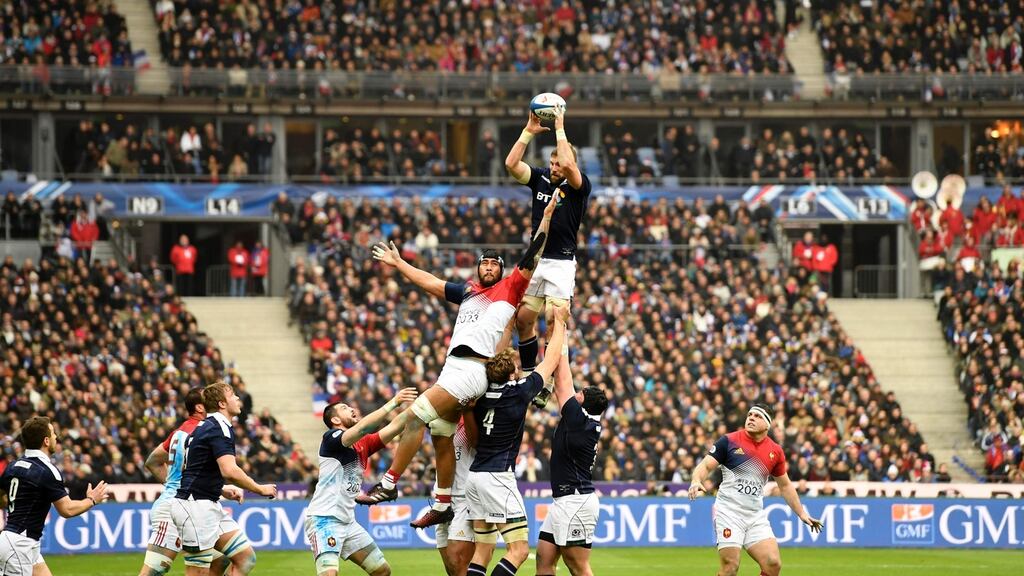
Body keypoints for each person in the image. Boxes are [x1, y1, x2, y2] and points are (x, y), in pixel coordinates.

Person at [356, 192, 559, 530]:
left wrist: (548, 217)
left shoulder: (511, 288)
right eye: (485, 263)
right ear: (479, 268)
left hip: (474, 369)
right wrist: (399, 264)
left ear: (502, 270)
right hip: (453, 367)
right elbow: (431, 283)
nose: (490, 267)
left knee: (416, 417)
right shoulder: (468, 291)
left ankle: (388, 484)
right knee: (439, 431)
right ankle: (443, 501)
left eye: (495, 263)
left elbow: (533, 253)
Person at [463, 304, 570, 576]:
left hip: (475, 476)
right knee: (519, 550)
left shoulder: (481, 394)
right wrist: (559, 324)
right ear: (512, 373)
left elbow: (473, 441)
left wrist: (508, 325)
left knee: (483, 550)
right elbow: (552, 358)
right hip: (498, 477)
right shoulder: (519, 392)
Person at [503, 108, 591, 406]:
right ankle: (531, 371)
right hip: (537, 261)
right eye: (552, 162)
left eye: (559, 162)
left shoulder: (579, 186)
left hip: (562, 263)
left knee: (554, 321)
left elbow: (568, 162)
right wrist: (528, 131)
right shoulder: (540, 179)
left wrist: (560, 125)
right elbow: (511, 164)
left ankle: (547, 383)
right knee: (523, 318)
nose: (555, 166)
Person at [688, 404, 824, 576]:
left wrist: (802, 513)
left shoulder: (775, 451)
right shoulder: (729, 441)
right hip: (728, 512)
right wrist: (696, 480)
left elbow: (785, 485)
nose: (751, 418)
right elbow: (706, 465)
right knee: (730, 567)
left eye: (757, 416)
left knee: (773, 564)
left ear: (768, 424)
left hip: (754, 515)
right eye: (750, 414)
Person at [304, 387, 418, 576]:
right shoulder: (330, 438)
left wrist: (423, 407)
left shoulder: (362, 444)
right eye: (344, 407)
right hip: (324, 520)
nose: (350, 408)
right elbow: (364, 427)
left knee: (382, 571)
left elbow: (395, 426)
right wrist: (394, 402)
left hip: (348, 522)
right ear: (335, 420)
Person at [171, 382, 278, 576]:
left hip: (207, 503)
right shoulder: (217, 427)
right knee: (197, 571)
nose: (238, 398)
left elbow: (198, 468)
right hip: (194, 507)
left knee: (245, 558)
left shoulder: (208, 426)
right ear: (222, 403)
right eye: (233, 395)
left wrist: (221, 489)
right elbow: (229, 470)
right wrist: (259, 489)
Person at [138, 388, 243, 576]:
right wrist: (176, 488)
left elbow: (152, 462)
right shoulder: (205, 431)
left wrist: (219, 489)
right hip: (174, 506)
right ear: (200, 407)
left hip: (191, 503)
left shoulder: (181, 431)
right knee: (153, 571)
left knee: (223, 557)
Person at [0, 416, 109, 576]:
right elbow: (67, 510)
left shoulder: (13, 466)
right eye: (53, 433)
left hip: (24, 543)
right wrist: (92, 500)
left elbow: (1, 498)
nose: (56, 437)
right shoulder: (47, 470)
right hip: (20, 544)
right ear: (46, 441)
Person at [535, 342, 608, 576]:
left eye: (581, 393)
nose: (575, 394)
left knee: (577, 565)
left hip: (575, 501)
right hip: (563, 501)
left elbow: (563, 381)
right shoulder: (583, 422)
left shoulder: (580, 422)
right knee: (544, 560)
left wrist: (560, 340)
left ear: (584, 401)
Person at [435, 411, 481, 576]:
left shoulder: (474, 415)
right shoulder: (442, 415)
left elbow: (476, 442)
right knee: (451, 568)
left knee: (459, 562)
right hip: (442, 498)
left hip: (464, 497)